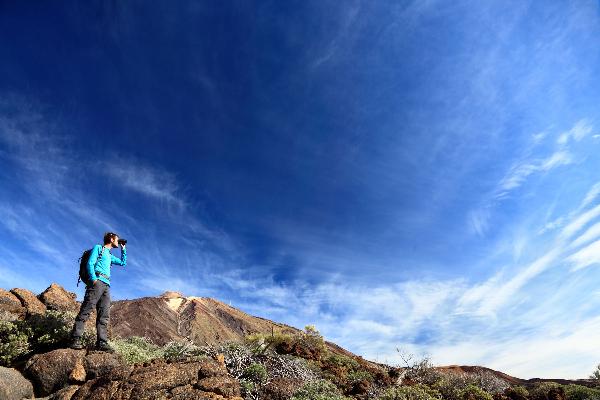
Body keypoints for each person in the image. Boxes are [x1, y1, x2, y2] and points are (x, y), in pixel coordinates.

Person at [70, 232, 126, 352]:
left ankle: (102, 342)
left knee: (104, 314)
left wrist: (123, 249)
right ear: (111, 239)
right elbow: (90, 262)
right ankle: (75, 338)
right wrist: (93, 279)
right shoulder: (99, 248)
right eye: (117, 239)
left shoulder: (110, 256)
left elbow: (123, 262)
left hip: (106, 285)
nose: (118, 241)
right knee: (87, 309)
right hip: (97, 281)